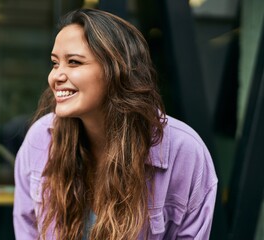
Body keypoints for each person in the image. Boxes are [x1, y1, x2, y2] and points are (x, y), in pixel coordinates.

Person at [13, 8, 218, 240]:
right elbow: (27, 231)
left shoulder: (184, 151)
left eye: (73, 62)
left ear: (116, 70)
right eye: (54, 63)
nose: (56, 76)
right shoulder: (40, 139)